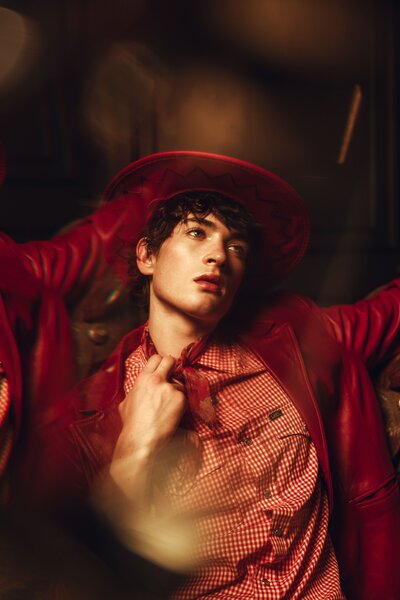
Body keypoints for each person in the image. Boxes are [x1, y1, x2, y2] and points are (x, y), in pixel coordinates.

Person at [3, 152, 400, 599]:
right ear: (147, 255)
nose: (218, 255)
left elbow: (391, 310)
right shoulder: (87, 415)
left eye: (236, 247)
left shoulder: (298, 339)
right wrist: (137, 444)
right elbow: (92, 575)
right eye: (197, 233)